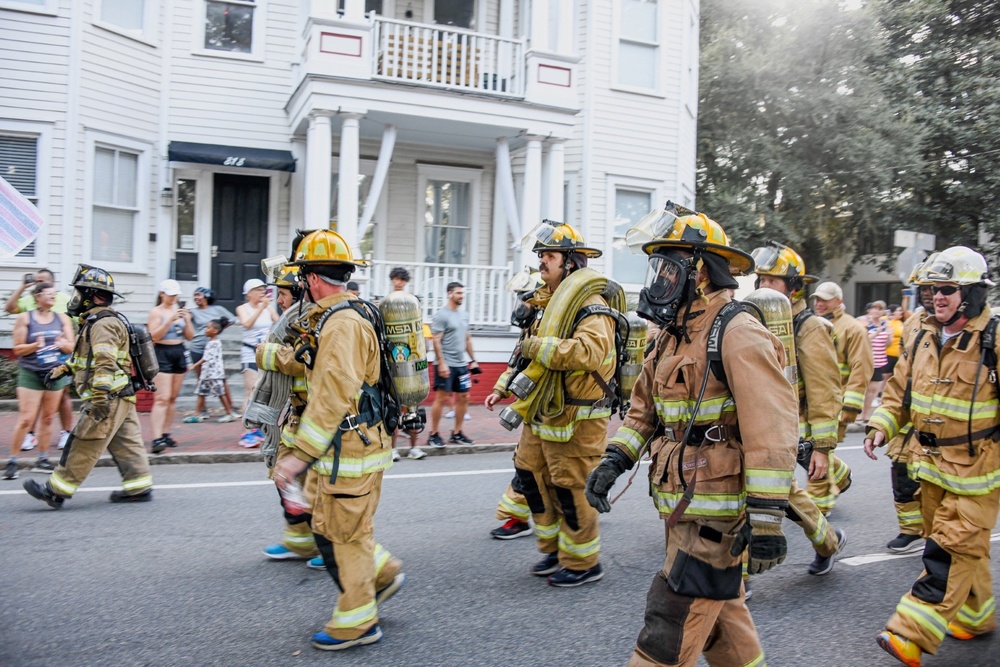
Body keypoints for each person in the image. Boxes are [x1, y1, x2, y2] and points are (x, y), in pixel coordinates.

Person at [584, 206, 798, 666]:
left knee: (670, 623)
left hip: (715, 519)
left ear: (698, 271)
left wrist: (766, 521)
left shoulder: (738, 332)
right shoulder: (670, 336)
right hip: (680, 504)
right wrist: (613, 462)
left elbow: (772, 430)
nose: (658, 277)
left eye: (667, 265)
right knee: (725, 621)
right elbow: (644, 412)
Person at [864, 246, 1000, 666]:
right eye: (931, 291)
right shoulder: (921, 334)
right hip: (930, 467)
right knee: (955, 543)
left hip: (978, 472)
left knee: (949, 548)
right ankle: (977, 616)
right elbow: (898, 393)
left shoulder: (993, 339)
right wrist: (880, 425)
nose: (937, 298)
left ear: (973, 293)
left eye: (948, 289)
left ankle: (912, 632)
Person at [272, 230, 404, 651]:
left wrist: (296, 457)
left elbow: (331, 396)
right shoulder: (344, 315)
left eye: (301, 279)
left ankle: (357, 622)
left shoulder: (342, 324)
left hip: (348, 450)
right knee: (341, 524)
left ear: (312, 280)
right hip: (349, 447)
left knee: (342, 533)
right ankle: (380, 576)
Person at [484, 220, 614, 587]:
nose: (542, 261)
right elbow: (522, 354)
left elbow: (590, 352)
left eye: (549, 255)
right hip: (541, 413)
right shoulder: (546, 305)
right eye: (541, 254)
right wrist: (502, 386)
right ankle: (554, 550)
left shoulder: (591, 305)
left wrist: (538, 347)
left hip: (577, 416)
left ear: (570, 262)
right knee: (532, 478)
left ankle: (583, 562)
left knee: (571, 489)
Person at [750, 243, 848, 576]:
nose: (763, 287)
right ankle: (829, 540)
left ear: (793, 288)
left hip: (790, 429)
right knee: (781, 494)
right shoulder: (756, 321)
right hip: (759, 424)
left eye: (772, 281)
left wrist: (821, 449)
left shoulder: (809, 327)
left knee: (776, 493)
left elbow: (824, 390)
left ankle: (738, 579)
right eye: (760, 279)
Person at [23, 264, 153, 508]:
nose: (75, 298)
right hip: (122, 397)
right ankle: (138, 486)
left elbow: (105, 362)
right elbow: (86, 359)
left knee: (84, 442)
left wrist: (100, 398)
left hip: (108, 397)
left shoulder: (103, 324)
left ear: (95, 296)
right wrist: (63, 369)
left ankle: (56, 490)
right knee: (127, 444)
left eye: (80, 293)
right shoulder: (97, 321)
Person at [874, 259, 937, 555]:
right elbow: (902, 376)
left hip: (943, 423)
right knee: (901, 471)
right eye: (923, 287)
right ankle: (911, 529)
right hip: (911, 412)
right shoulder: (914, 323)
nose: (927, 293)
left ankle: (938, 533)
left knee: (935, 480)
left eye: (933, 287)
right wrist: (882, 423)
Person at [3, 282, 74, 479]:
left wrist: (63, 345)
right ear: (37, 296)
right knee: (26, 418)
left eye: (54, 293)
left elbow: (71, 347)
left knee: (48, 417)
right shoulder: (25, 318)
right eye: (48, 293)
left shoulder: (62, 319)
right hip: (31, 373)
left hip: (55, 373)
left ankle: (42, 459)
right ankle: (12, 461)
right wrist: (35, 345)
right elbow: (18, 349)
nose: (53, 296)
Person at [812, 281, 875, 444]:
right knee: (812, 456)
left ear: (839, 301)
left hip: (835, 404)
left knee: (824, 455)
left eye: (825, 300)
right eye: (817, 299)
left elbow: (861, 367)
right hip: (813, 403)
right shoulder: (814, 324)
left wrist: (851, 406)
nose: (819, 304)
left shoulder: (853, 328)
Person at [426, 281, 478, 449]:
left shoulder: (464, 315)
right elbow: (436, 340)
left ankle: (456, 433)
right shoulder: (442, 315)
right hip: (446, 363)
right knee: (441, 398)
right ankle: (433, 434)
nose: (461, 296)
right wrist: (441, 362)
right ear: (449, 294)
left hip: (461, 364)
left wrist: (473, 360)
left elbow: (467, 338)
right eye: (458, 293)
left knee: (465, 397)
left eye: (462, 293)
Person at [147, 279, 194, 454]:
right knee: (162, 398)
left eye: (175, 294)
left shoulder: (179, 310)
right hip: (162, 351)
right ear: (162, 294)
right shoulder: (156, 312)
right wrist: (169, 321)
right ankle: (156, 437)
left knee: (173, 397)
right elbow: (153, 336)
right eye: (170, 294)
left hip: (179, 350)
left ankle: (166, 433)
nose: (173, 297)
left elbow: (190, 336)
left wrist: (187, 320)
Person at [184, 287, 238, 423]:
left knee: (221, 380)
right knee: (201, 380)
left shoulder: (217, 310)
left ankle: (231, 408)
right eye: (194, 295)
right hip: (197, 348)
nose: (196, 298)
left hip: (211, 350)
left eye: (198, 295)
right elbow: (186, 321)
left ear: (207, 296)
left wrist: (218, 330)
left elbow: (232, 319)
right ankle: (202, 411)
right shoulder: (193, 312)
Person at [237, 278, 278, 447]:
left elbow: (277, 321)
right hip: (249, 353)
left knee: (264, 392)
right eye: (258, 290)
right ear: (249, 293)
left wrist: (267, 306)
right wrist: (260, 307)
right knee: (251, 391)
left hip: (265, 353)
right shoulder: (242, 308)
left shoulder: (266, 307)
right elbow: (247, 324)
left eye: (263, 289)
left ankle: (258, 426)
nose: (262, 292)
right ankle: (248, 431)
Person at [387, 266, 416, 461]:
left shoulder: (412, 303)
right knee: (394, 409)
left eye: (401, 280)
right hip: (393, 361)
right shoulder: (387, 303)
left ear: (406, 281)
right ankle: (393, 449)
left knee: (412, 408)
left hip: (411, 361)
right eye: (395, 279)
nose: (398, 283)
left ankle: (414, 448)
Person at [192, 319, 236, 417]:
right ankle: (196, 414)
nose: (205, 330)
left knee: (220, 393)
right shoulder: (211, 342)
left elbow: (206, 358)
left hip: (214, 374)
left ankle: (229, 412)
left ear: (215, 331)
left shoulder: (215, 343)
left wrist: (195, 365)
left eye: (208, 328)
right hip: (206, 373)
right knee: (201, 392)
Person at [860, 300, 890, 422]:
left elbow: (888, 343)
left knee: (873, 389)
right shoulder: (864, 321)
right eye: (875, 308)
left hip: (879, 360)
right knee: (862, 388)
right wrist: (876, 333)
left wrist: (888, 334)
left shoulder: (885, 323)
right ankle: (858, 413)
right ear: (869, 310)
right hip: (865, 359)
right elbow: (862, 339)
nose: (877, 311)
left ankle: (866, 414)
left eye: (880, 309)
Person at [885, 303, 905, 380]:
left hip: (898, 354)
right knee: (886, 376)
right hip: (888, 353)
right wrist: (888, 316)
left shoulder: (900, 323)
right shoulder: (887, 321)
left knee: (895, 376)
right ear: (893, 312)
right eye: (899, 310)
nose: (901, 312)